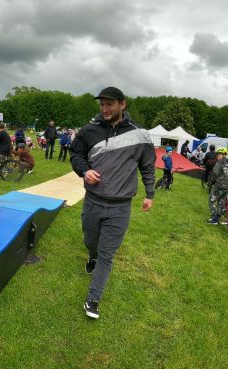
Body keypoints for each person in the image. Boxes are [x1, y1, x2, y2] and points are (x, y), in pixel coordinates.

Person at [69, 87, 155, 319]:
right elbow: (75, 155)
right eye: (102, 104)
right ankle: (92, 255)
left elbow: (147, 165)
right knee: (91, 240)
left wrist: (149, 193)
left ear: (122, 104)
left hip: (120, 206)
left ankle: (93, 300)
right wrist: (85, 171)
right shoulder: (89, 130)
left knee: (107, 254)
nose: (105, 109)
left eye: (110, 104)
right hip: (93, 202)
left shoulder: (140, 135)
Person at [207, 147, 228, 224]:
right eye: (217, 154)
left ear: (224, 155)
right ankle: (219, 216)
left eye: (219, 154)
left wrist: (211, 183)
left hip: (219, 185)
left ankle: (214, 218)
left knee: (211, 200)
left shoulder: (219, 163)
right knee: (221, 201)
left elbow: (214, 174)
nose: (217, 156)